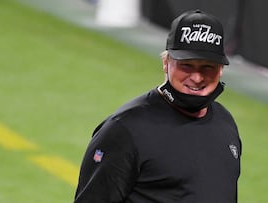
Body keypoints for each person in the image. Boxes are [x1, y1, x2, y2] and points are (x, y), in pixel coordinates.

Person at [74, 9, 241, 203]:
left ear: (220, 70)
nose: (197, 77)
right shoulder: (125, 129)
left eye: (207, 67)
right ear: (166, 62)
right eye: (187, 65)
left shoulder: (225, 124)